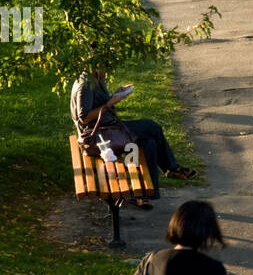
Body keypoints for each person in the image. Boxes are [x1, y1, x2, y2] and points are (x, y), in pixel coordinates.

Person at [70, 63, 196, 202]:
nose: (109, 69)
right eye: (107, 65)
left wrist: (117, 95)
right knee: (152, 127)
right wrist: (110, 103)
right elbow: (85, 118)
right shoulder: (85, 85)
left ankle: (144, 194)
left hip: (110, 128)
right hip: (99, 137)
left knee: (149, 142)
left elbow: (100, 104)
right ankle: (171, 168)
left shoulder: (95, 78)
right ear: (96, 64)